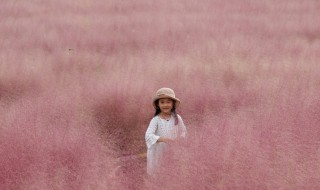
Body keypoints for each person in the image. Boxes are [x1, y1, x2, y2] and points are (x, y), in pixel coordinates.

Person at [145, 87, 187, 175]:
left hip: (173, 150)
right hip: (158, 152)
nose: (165, 105)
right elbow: (148, 135)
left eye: (168, 102)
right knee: (159, 172)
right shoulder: (156, 120)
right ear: (158, 105)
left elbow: (184, 131)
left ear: (173, 104)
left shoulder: (177, 118)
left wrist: (180, 139)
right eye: (162, 102)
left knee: (172, 171)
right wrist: (163, 139)